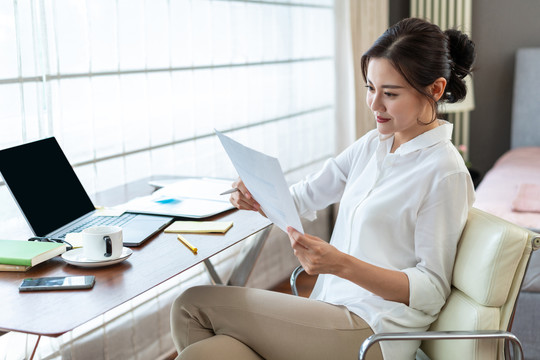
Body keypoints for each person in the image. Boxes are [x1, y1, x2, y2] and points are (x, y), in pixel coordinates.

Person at [170, 17, 476, 360]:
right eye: (370, 89)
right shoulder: (374, 145)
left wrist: (341, 264)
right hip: (328, 309)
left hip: (374, 333)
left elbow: (432, 289)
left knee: (191, 304)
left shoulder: (444, 172)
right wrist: (257, 196)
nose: (375, 105)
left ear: (435, 90)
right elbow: (303, 196)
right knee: (201, 354)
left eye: (389, 94)